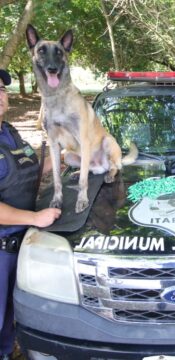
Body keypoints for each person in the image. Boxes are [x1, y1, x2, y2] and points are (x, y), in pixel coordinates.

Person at [0, 69, 61, 359]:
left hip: (19, 248)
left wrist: (63, 158)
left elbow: (30, 172)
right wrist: (35, 218)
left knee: (9, 322)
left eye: (1, 89)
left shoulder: (9, 132)